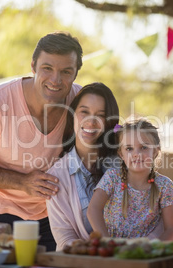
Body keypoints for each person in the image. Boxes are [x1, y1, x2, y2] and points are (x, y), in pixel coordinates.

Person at [0, 31, 83, 251]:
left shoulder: (81, 103)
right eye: (47, 68)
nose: (55, 80)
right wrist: (22, 182)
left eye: (66, 71)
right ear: (33, 66)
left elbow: (110, 139)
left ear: (76, 73)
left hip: (54, 214)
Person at [45, 82, 120, 251]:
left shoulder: (123, 164)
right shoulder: (56, 176)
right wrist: (98, 252)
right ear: (72, 115)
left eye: (100, 115)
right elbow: (64, 238)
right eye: (84, 112)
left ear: (109, 122)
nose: (91, 121)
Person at [87, 117, 173, 240]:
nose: (137, 154)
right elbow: (93, 210)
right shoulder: (112, 178)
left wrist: (152, 249)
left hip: (144, 253)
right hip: (112, 252)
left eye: (144, 147)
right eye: (129, 149)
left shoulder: (164, 185)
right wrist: (107, 242)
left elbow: (171, 229)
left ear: (156, 151)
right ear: (121, 154)